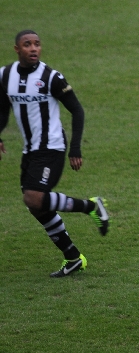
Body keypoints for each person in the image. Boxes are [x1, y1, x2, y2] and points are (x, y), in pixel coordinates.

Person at [0, 30, 109, 278]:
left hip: (52, 147)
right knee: (37, 207)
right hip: (30, 150)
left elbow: (77, 111)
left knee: (34, 198)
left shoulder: (51, 77)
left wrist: (76, 148)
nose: (33, 48)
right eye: (27, 45)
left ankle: (91, 206)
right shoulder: (5, 75)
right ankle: (73, 258)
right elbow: (2, 111)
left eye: (37, 44)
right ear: (17, 49)